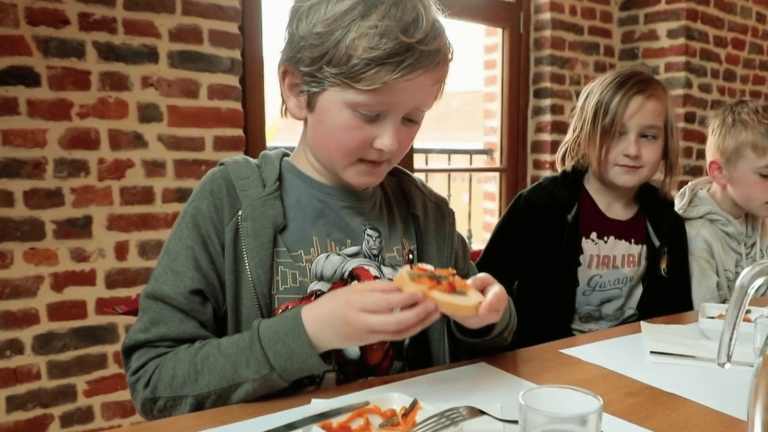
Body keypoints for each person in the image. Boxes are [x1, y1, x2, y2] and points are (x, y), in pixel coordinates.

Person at [122, 0, 515, 420]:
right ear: (297, 90)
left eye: (411, 119)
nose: (390, 143)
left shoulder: (428, 214)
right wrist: (309, 332)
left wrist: (488, 318)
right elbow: (154, 381)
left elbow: (477, 351)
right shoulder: (229, 202)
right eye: (369, 113)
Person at [476, 67, 692, 350]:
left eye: (648, 136)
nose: (632, 150)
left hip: (634, 365)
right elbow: (483, 289)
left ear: (666, 146)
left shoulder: (667, 221)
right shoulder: (539, 206)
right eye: (616, 133)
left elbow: (676, 315)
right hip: (541, 365)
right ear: (586, 135)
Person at [674, 99, 768, 308]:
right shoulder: (696, 237)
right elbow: (706, 320)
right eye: (765, 175)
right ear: (720, 172)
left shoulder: (759, 216)